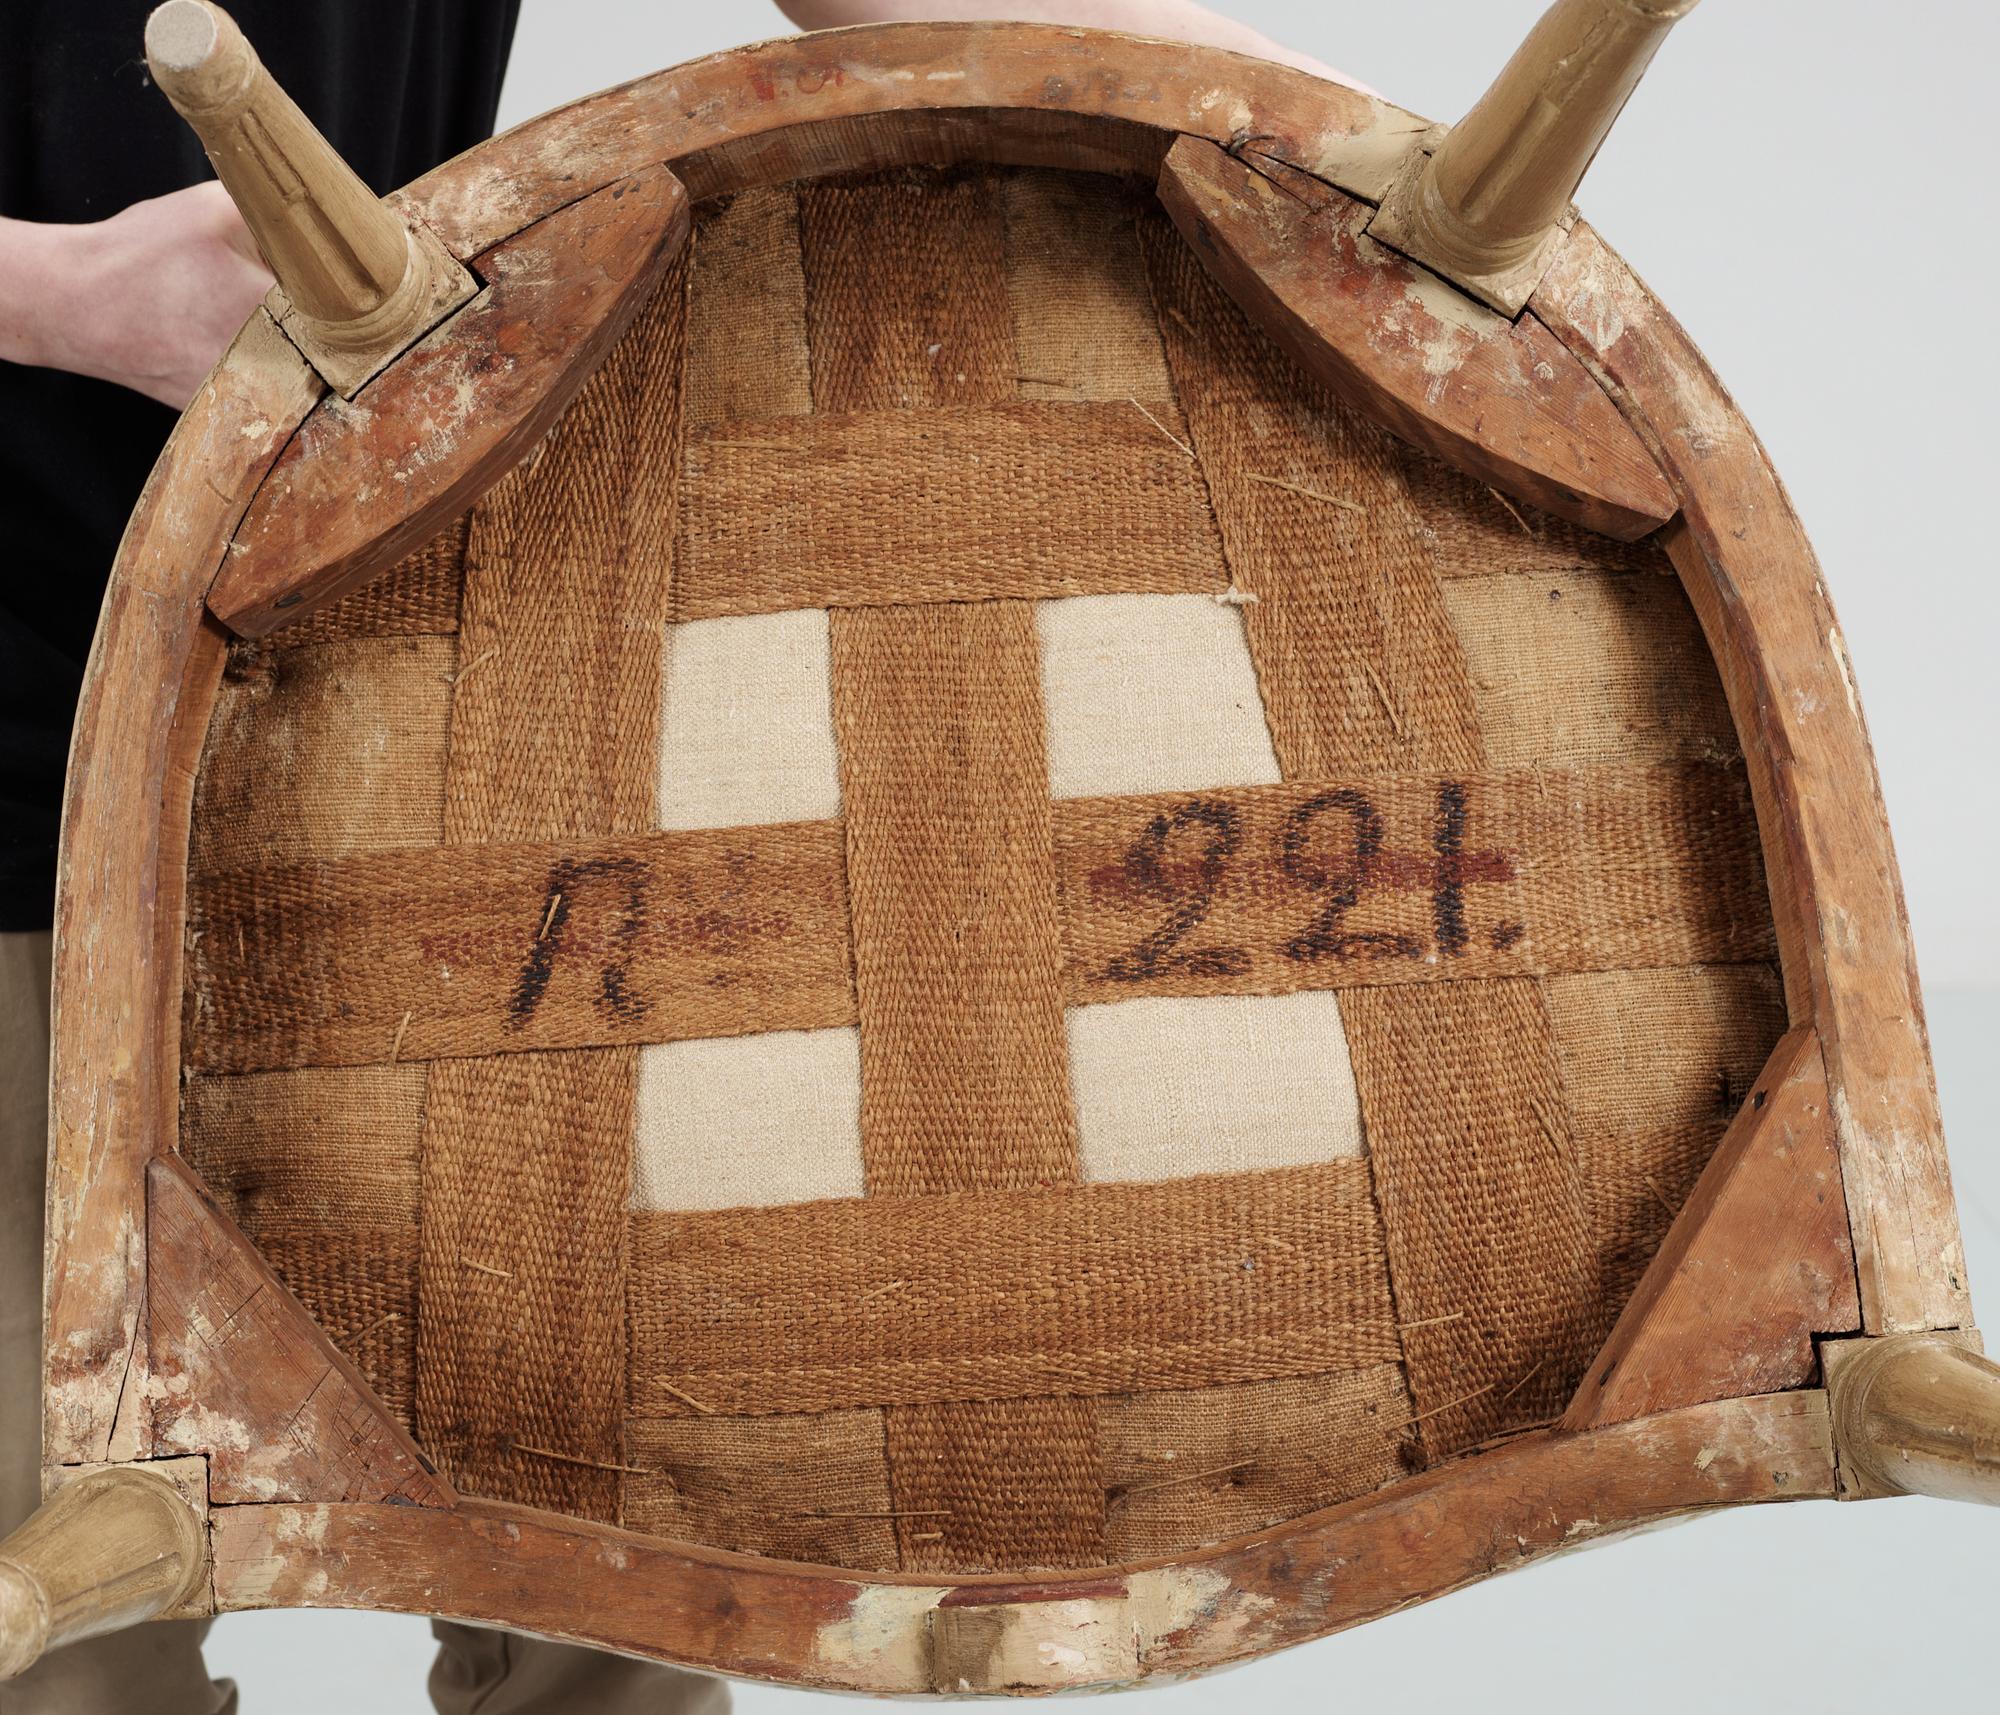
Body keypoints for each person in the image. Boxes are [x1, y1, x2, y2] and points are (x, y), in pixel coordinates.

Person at [0, 2, 1340, 1710]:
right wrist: (48, 295)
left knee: (618, 1605)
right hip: (14, 793)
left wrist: (1327, 139)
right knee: (59, 1633)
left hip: (440, 716)